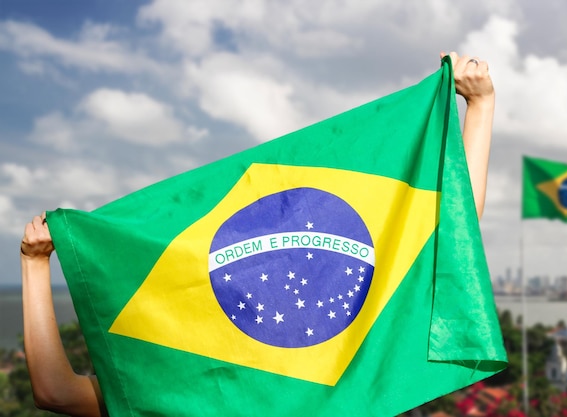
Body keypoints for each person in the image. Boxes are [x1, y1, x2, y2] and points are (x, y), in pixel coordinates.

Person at [19, 51, 494, 416]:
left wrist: (34, 263)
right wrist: (480, 106)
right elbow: (451, 245)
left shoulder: (185, 382)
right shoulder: (348, 357)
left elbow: (56, 392)